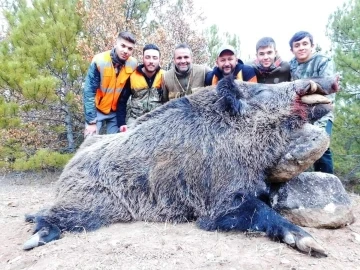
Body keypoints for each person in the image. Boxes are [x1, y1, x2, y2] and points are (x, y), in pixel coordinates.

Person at [289, 31, 336, 174]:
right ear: (292, 50)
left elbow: (328, 90)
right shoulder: (291, 65)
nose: (301, 48)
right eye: (297, 45)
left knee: (321, 146)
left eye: (305, 44)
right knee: (294, 149)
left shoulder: (323, 62)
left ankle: (328, 186)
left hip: (322, 111)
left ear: (312, 45)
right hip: (300, 113)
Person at [83, 31, 137, 136]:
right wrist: (91, 121)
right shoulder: (100, 61)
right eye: (123, 46)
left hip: (115, 112)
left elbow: (126, 93)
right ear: (116, 44)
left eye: (130, 48)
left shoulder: (133, 64)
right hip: (97, 110)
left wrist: (121, 120)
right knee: (90, 143)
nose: (125, 51)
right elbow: (89, 91)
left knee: (116, 146)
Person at [116, 44, 165, 131]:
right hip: (135, 120)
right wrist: (121, 123)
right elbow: (122, 101)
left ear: (159, 60)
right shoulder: (132, 76)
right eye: (147, 57)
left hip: (157, 121)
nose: (151, 61)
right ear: (143, 58)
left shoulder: (165, 76)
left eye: (155, 58)